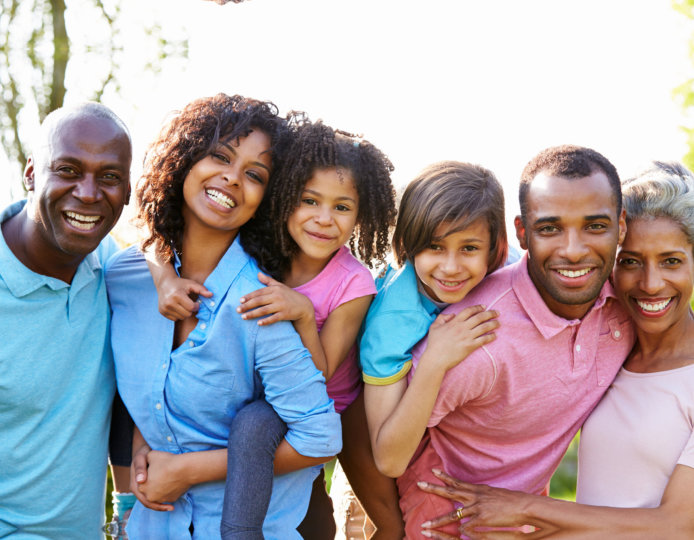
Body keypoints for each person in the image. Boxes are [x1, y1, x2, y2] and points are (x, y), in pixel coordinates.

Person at [105, 94, 342, 540]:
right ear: (185, 160)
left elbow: (320, 437)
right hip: (152, 529)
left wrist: (186, 470)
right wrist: (142, 440)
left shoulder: (258, 304)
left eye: (255, 175)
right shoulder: (124, 279)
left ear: (268, 199)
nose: (232, 179)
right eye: (219, 156)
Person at [417, 161, 694, 540]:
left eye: (672, 262)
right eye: (630, 262)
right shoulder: (615, 338)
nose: (650, 283)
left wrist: (525, 510)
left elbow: (680, 526)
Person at [155, 119, 403, 539]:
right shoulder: (263, 249)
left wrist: (304, 313)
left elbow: (321, 375)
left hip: (331, 409)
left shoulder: (353, 283)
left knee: (388, 517)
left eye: (342, 207)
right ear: (286, 196)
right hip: (261, 393)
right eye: (310, 201)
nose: (324, 220)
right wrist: (164, 277)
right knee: (266, 449)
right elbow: (161, 236)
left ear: (361, 215)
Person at [391, 145, 635, 538]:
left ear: (621, 227)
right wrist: (388, 527)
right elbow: (376, 443)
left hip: (522, 519)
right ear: (522, 232)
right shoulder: (475, 336)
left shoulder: (629, 305)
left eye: (595, 226)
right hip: (440, 519)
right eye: (550, 228)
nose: (573, 251)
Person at [0, 102, 131, 538]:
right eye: (69, 170)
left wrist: (126, 507)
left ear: (127, 192)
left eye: (109, 177)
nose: (89, 193)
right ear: (32, 173)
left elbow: (118, 397)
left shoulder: (112, 270)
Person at [360, 161, 508, 486]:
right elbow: (389, 459)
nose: (451, 267)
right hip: (372, 462)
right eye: (434, 247)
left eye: (469, 248)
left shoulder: (508, 272)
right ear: (409, 244)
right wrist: (435, 360)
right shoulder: (391, 324)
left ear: (496, 247)